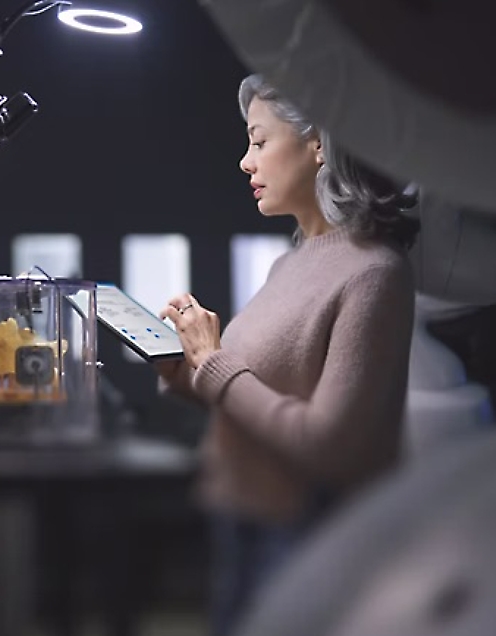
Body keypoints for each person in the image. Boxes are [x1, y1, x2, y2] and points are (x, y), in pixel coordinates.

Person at [155, 74, 420, 636]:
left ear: (319, 141)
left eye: (259, 141)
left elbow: (330, 448)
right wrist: (186, 372)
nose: (245, 163)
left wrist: (215, 364)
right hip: (243, 522)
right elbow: (261, 401)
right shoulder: (290, 264)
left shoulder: (373, 272)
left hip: (304, 537)